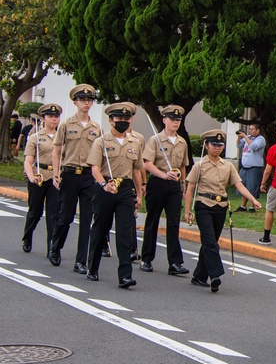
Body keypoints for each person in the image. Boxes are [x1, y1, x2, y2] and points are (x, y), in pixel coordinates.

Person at [184, 130, 262, 292]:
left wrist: (253, 199)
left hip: (220, 207)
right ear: (206, 146)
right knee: (210, 241)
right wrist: (187, 211)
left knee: (210, 242)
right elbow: (190, 189)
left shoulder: (228, 166)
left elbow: (239, 185)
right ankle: (215, 275)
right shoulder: (199, 165)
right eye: (214, 145)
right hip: (203, 205)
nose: (217, 148)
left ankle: (199, 275)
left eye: (220, 145)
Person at [85, 103, 144, 288]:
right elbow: (94, 168)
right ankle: (92, 267)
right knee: (100, 228)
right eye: (119, 119)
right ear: (111, 120)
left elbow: (136, 170)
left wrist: (139, 193)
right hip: (105, 187)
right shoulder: (101, 142)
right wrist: (103, 184)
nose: (123, 122)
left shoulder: (135, 142)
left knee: (125, 232)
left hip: (125, 189)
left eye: (126, 119)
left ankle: (125, 275)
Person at [50, 84, 102, 271]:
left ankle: (81, 261)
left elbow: (99, 155)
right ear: (75, 102)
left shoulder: (96, 128)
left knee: (87, 219)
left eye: (89, 100)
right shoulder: (65, 125)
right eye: (82, 100)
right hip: (70, 173)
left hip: (88, 176)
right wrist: (56, 173)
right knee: (66, 216)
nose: (86, 103)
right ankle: (55, 247)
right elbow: (57, 152)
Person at [140, 105, 190, 276]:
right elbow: (147, 163)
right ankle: (146, 258)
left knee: (174, 223)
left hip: (174, 185)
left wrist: (183, 185)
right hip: (158, 183)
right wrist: (163, 175)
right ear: (164, 120)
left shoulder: (182, 142)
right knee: (152, 221)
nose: (175, 122)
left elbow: (183, 165)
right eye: (172, 119)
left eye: (178, 120)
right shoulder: (155, 140)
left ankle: (175, 262)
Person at [21, 105, 61, 253]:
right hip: (39, 175)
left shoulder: (61, 138)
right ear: (43, 119)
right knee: (35, 212)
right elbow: (28, 160)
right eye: (50, 116)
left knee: (53, 214)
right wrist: (31, 177)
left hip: (54, 177)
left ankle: (52, 246)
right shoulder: (35, 137)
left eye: (56, 116)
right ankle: (27, 236)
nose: (54, 119)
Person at [237, 122, 266, 210]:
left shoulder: (260, 139)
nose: (250, 131)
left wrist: (245, 137)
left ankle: (252, 206)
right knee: (243, 186)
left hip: (254, 167)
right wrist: (239, 137)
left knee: (252, 187)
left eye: (252, 129)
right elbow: (238, 145)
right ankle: (243, 206)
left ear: (258, 130)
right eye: (250, 129)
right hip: (245, 166)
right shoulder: (248, 138)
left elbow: (253, 147)